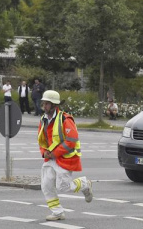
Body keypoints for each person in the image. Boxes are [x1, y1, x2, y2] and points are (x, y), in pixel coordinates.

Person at [38, 90, 93, 221]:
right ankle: (57, 213)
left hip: (65, 159)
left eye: (47, 104)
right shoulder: (43, 119)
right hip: (50, 158)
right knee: (46, 185)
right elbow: (41, 140)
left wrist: (54, 153)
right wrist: (44, 152)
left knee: (63, 187)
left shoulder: (65, 119)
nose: (44, 106)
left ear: (54, 105)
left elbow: (72, 141)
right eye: (43, 103)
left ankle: (85, 183)